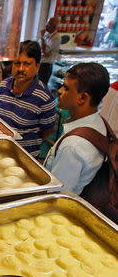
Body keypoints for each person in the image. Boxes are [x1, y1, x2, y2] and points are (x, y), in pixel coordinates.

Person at [44, 63, 110, 195]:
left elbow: (57, 194)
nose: (60, 90)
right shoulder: (98, 122)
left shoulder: (72, 146)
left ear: (83, 98)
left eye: (66, 88)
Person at [0, 40, 56, 158]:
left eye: (27, 64)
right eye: (17, 63)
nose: (21, 69)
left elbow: (47, 131)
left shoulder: (44, 97)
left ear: (37, 66)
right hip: (1, 151)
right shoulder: (4, 85)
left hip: (25, 157)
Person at [38, 17, 61, 85]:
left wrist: (42, 37)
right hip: (41, 63)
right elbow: (41, 49)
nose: (45, 26)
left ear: (54, 27)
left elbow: (45, 50)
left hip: (46, 66)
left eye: (48, 25)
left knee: (42, 86)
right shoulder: (47, 35)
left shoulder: (56, 37)